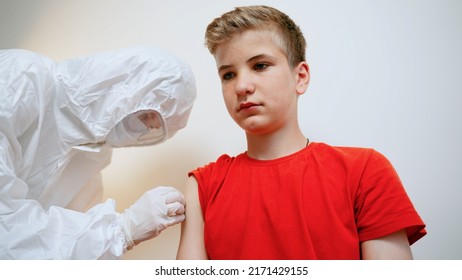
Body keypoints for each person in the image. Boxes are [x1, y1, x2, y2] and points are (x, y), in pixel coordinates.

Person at [176, 5, 426, 260]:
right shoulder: (203, 186)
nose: (241, 86)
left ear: (301, 77)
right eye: (228, 74)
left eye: (260, 66)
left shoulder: (364, 171)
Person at [0, 46, 196, 259]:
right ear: (123, 85)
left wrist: (120, 234)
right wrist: (122, 230)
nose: (146, 128)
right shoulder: (22, 77)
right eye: (148, 115)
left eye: (154, 127)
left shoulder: (92, 157)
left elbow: (67, 254)